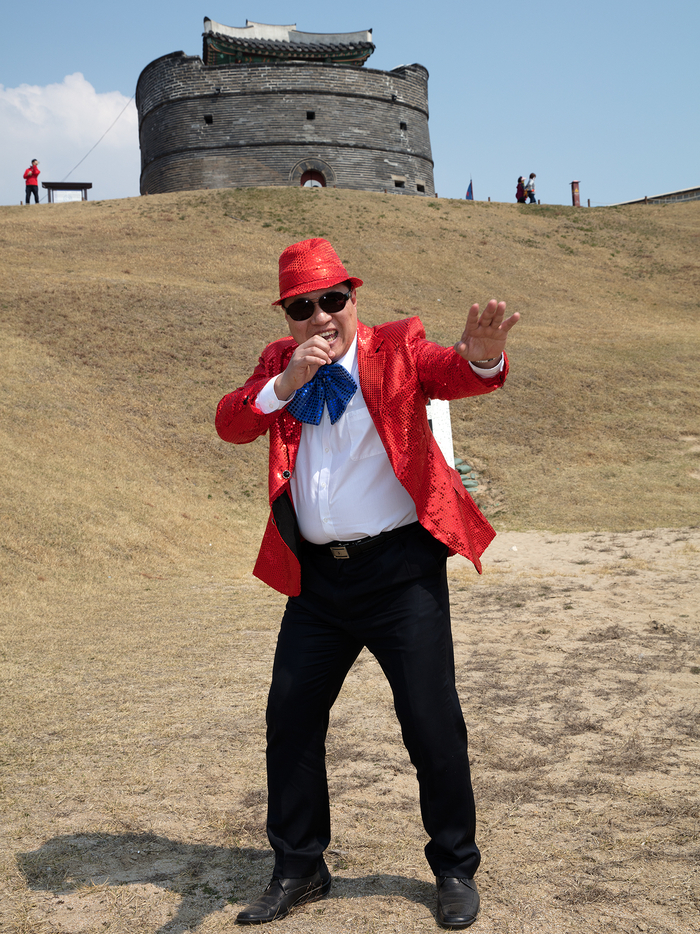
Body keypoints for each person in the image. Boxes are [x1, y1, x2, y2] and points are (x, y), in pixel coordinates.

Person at [215, 238, 519, 929]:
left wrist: (482, 354)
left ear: (355, 298)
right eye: (302, 307)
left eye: (332, 300)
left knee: (431, 722)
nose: (321, 317)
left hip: (400, 574)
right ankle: (299, 867)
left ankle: (453, 866)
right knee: (289, 719)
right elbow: (231, 423)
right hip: (318, 583)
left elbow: (460, 374)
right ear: (287, 316)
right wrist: (286, 383)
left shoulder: (399, 347)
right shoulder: (278, 365)